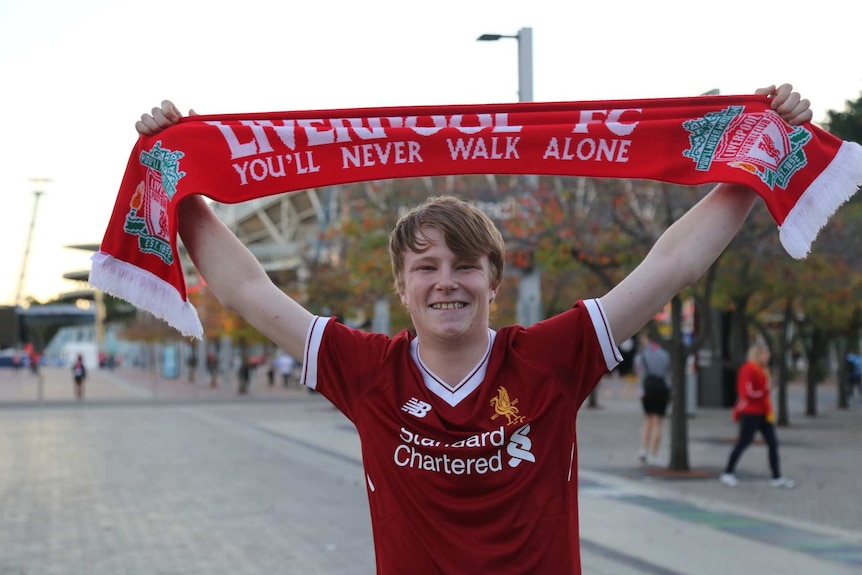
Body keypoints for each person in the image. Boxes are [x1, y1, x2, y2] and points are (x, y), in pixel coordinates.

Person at [135, 84, 811, 574]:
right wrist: (179, 176)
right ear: (401, 287)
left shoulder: (552, 354)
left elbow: (669, 265)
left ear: (495, 280)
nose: (446, 281)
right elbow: (248, 289)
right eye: (424, 267)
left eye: (465, 265)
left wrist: (754, 164)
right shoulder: (367, 369)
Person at [720, 342, 795, 489]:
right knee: (743, 442)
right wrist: (765, 390)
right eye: (765, 353)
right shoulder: (748, 369)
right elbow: (747, 393)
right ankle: (727, 473)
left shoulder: (762, 370)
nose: (768, 356)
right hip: (750, 412)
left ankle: (776, 477)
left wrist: (767, 389)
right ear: (757, 354)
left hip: (763, 412)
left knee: (772, 443)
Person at [635, 331, 671, 465]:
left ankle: (643, 449)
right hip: (662, 388)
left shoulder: (642, 356)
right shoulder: (665, 355)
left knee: (648, 419)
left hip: (648, 388)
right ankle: (654, 454)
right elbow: (668, 372)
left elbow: (640, 373)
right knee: (658, 421)